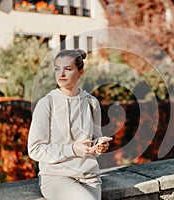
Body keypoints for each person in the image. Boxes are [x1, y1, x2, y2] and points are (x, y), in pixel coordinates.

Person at [28, 49, 109, 200]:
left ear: (81, 72)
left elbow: (95, 139)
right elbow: (35, 149)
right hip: (56, 178)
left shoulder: (92, 103)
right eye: (57, 69)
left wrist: (99, 146)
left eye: (68, 69)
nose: (61, 74)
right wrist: (72, 149)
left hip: (90, 177)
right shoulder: (46, 104)